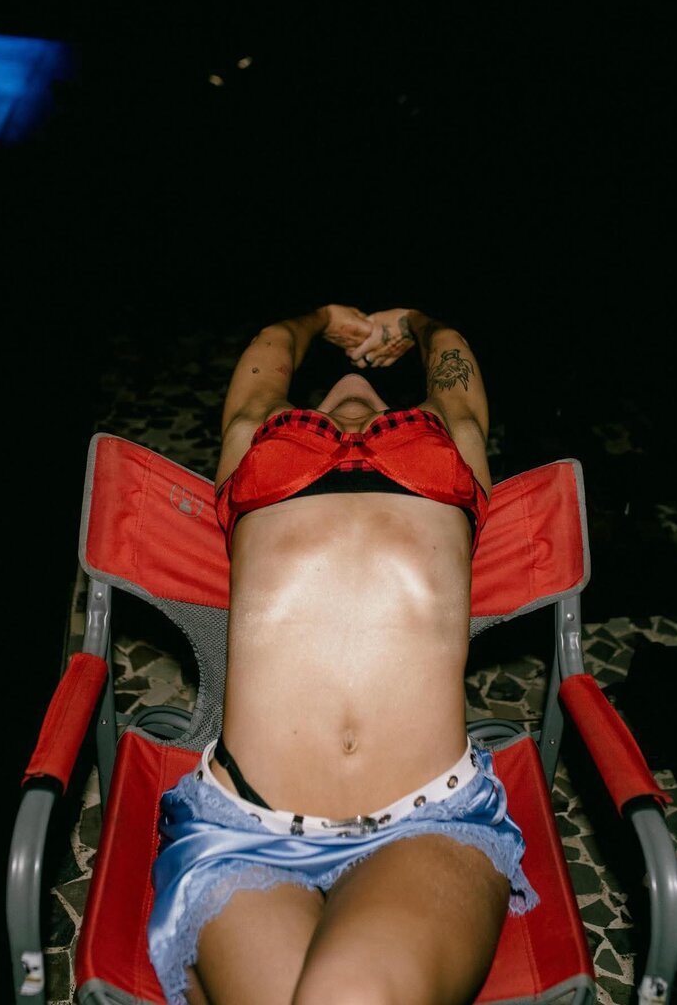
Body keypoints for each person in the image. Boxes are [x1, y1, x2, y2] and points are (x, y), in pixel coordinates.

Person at [147, 303, 539, 1005]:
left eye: (381, 398)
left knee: (348, 992)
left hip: (430, 820)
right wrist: (321, 319)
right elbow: (271, 346)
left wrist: (416, 323)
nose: (355, 390)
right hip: (242, 825)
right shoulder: (251, 440)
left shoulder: (453, 444)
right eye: (324, 395)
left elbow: (453, 357)